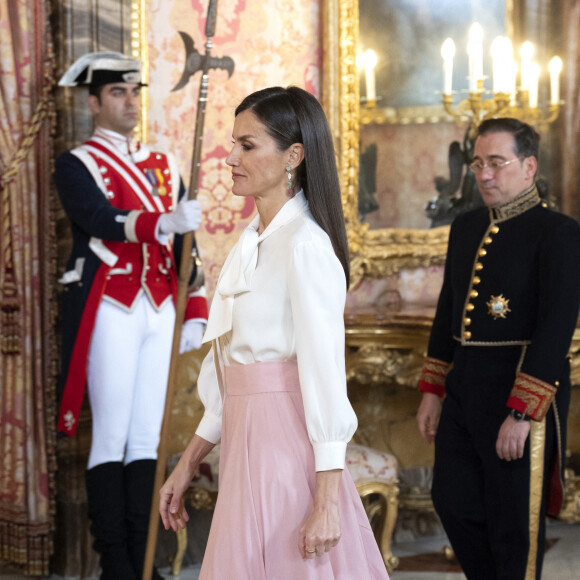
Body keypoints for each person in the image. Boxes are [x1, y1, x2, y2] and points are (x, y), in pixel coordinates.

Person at [159, 86, 389, 579]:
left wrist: (326, 500)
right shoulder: (250, 244)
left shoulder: (305, 245)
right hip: (244, 445)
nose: (230, 157)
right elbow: (231, 377)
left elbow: (325, 375)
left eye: (247, 145)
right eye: (232, 144)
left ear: (293, 155)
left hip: (286, 450)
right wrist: (188, 461)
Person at [55, 52, 208, 580]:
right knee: (113, 434)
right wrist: (163, 219)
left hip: (161, 306)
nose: (129, 101)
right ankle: (116, 565)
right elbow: (97, 219)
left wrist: (196, 309)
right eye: (117, 93)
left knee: (148, 436)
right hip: (110, 306)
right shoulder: (77, 164)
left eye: (133, 92)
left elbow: (189, 246)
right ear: (93, 102)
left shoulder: (164, 164)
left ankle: (145, 566)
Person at [416, 117, 580, 580]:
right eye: (478, 163)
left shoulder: (560, 233)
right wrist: (432, 388)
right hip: (465, 391)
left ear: (528, 167)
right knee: (453, 501)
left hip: (520, 392)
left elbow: (555, 330)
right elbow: (448, 311)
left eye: (497, 163)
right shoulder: (465, 228)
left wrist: (523, 412)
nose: (484, 174)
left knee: (514, 525)